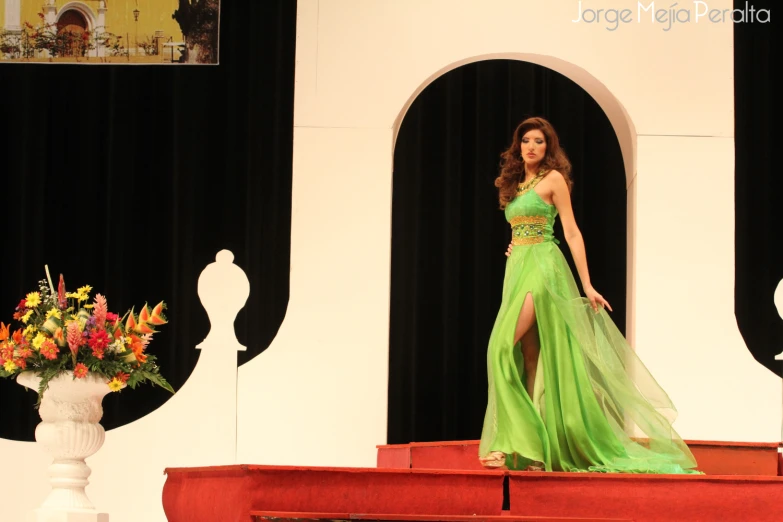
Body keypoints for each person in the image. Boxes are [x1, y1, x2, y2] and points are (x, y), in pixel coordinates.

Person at [477, 117, 700, 473]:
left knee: (499, 347)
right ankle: (536, 450)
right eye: (526, 141)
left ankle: (507, 444)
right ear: (517, 147)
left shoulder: (553, 180)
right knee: (531, 358)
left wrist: (588, 285)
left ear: (548, 148)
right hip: (517, 267)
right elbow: (523, 227)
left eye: (539, 142)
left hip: (544, 269)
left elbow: (572, 232)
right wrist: (515, 245)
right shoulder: (516, 184)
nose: (531, 147)